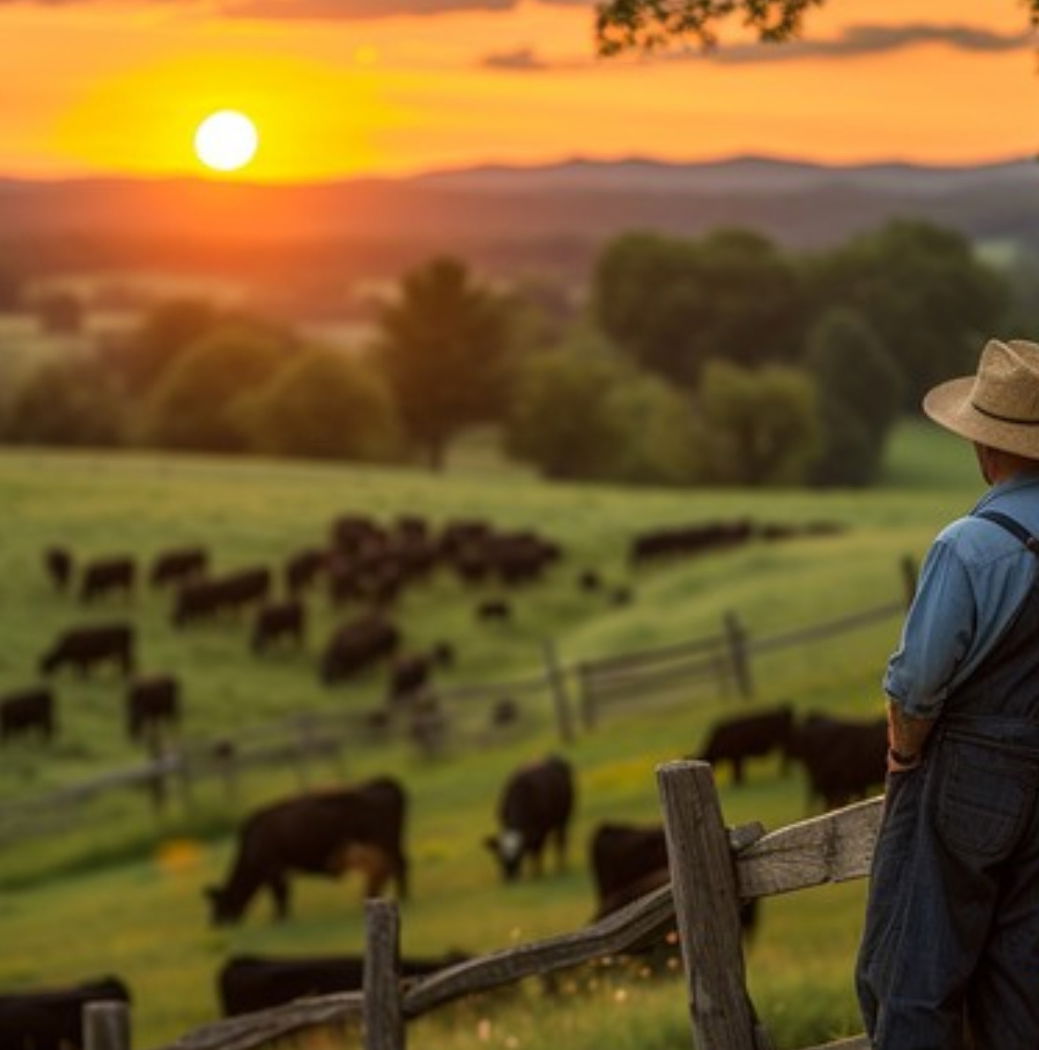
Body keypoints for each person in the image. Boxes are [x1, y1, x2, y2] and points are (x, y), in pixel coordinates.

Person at [856, 338, 1039, 1049]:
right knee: (1020, 980)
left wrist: (904, 755)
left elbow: (916, 684)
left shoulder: (968, 544)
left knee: (910, 971)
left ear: (983, 449)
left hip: (969, 777)